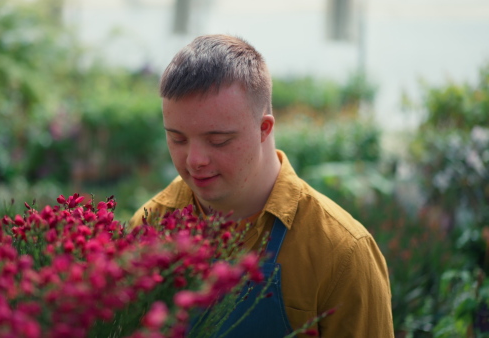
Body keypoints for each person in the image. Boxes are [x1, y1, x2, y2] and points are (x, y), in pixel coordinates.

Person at [128, 34, 393, 337]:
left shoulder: (341, 253)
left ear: (263, 128)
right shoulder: (150, 225)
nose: (194, 159)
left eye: (218, 140)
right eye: (177, 138)